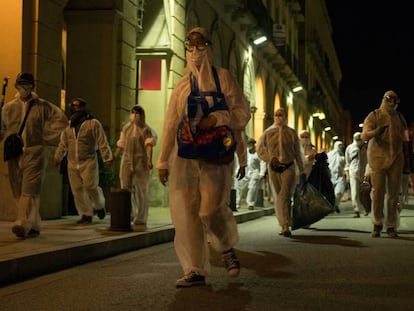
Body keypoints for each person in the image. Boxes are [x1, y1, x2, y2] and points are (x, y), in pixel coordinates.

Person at [155, 27, 250, 287]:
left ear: (209, 47)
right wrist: (163, 160)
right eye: (190, 46)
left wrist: (217, 118)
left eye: (200, 46)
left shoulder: (224, 78)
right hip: (185, 156)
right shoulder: (182, 86)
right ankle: (194, 269)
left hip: (216, 155)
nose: (195, 52)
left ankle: (226, 247)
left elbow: (242, 114)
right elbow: (170, 123)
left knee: (210, 207)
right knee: (185, 213)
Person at [0, 72, 68, 238]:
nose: (24, 89)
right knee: (17, 188)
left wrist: (44, 134)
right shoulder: (9, 108)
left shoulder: (43, 106)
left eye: (27, 85)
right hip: (14, 153)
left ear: (32, 87)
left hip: (34, 151)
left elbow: (62, 120)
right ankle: (34, 222)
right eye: (21, 85)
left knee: (30, 188)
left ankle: (22, 222)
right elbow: (2, 129)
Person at [54, 98, 113, 224]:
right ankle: (86, 214)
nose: (75, 109)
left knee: (90, 186)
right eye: (73, 106)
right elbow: (63, 143)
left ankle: (99, 206)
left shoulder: (93, 123)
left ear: (83, 107)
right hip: (72, 162)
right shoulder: (68, 126)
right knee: (77, 189)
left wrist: (107, 157)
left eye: (78, 106)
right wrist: (58, 156)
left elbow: (102, 141)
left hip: (88, 160)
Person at [361, 90, 408, 238]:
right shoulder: (374, 115)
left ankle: (391, 225)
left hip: (396, 158)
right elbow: (364, 135)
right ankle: (377, 223)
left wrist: (407, 157)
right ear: (383, 99)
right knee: (378, 191)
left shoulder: (400, 117)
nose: (393, 102)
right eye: (390, 99)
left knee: (394, 193)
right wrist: (376, 131)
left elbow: (406, 139)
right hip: (377, 158)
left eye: (396, 99)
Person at [256, 108, 305, 237]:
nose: (278, 117)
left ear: (285, 116)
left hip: (288, 167)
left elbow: (298, 153)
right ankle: (282, 222)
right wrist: (270, 159)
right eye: (276, 115)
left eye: (281, 115)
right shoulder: (268, 133)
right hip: (273, 168)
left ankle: (285, 225)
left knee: (285, 195)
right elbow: (260, 149)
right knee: (279, 196)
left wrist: (301, 170)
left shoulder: (292, 133)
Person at [113, 105, 157, 227]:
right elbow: (121, 145)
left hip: (141, 162)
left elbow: (149, 145)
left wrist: (149, 160)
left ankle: (141, 217)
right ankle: (129, 213)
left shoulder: (146, 129)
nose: (135, 115)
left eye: (138, 113)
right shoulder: (126, 128)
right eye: (133, 112)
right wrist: (114, 157)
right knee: (125, 188)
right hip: (127, 160)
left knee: (141, 190)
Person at [235, 138, 267, 210]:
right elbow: (239, 161)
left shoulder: (258, 153)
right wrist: (237, 170)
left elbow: (263, 162)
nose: (250, 145)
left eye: (251, 144)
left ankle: (250, 203)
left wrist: (262, 173)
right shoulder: (244, 152)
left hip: (254, 172)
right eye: (249, 144)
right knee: (239, 186)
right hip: (245, 171)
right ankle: (237, 202)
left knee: (252, 187)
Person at [344, 132, 368, 218]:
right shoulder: (350, 148)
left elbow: (368, 161)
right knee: (354, 193)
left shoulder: (365, 148)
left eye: (360, 138)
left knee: (364, 193)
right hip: (353, 172)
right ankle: (357, 210)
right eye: (357, 138)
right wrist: (347, 174)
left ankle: (366, 208)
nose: (359, 140)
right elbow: (347, 162)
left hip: (364, 172)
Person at [327, 140, 346, 213]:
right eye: (339, 145)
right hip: (331, 176)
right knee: (331, 194)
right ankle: (332, 206)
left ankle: (335, 205)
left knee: (339, 192)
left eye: (341, 145)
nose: (341, 147)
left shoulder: (342, 157)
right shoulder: (329, 155)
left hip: (340, 176)